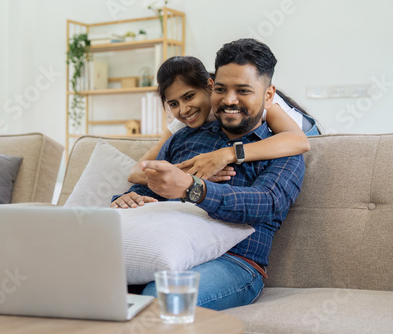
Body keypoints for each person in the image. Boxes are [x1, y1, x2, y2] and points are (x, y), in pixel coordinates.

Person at [111, 38, 305, 310]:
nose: (230, 100)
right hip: (164, 251)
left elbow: (266, 203)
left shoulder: (282, 148)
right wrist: (127, 199)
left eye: (243, 91)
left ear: (268, 96)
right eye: (222, 89)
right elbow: (151, 186)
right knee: (92, 284)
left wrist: (194, 189)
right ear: (212, 86)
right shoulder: (185, 138)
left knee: (161, 299)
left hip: (234, 262)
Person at [127, 57, 318, 186]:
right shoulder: (182, 122)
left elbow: (299, 141)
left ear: (209, 87)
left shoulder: (246, 106)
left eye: (190, 96)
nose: (184, 109)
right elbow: (136, 172)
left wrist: (227, 154)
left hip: (310, 138)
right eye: (173, 103)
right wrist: (183, 177)